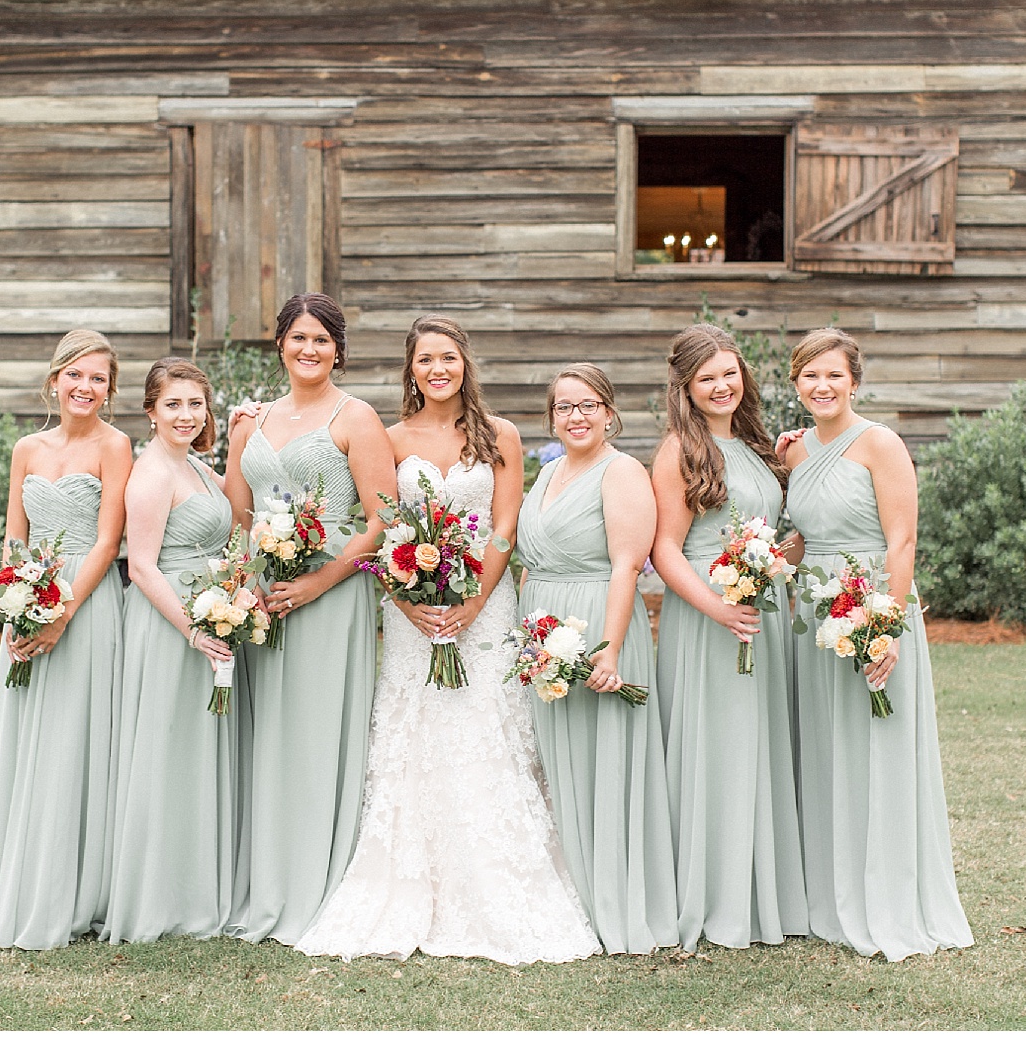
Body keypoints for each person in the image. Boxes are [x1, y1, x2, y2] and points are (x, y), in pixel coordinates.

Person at [295, 316, 599, 965]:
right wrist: (409, 601)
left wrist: (471, 603)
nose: (438, 368)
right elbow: (381, 529)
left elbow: (505, 526)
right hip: (412, 618)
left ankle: (498, 883)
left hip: (483, 611)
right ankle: (408, 881)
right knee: (419, 733)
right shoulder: (391, 435)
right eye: (426, 358)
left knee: (484, 728)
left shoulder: (501, 436)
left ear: (465, 364)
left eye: (449, 357)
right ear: (411, 368)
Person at [779, 327, 973, 961]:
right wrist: (768, 561)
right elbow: (806, 533)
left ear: (854, 381)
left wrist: (886, 624)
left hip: (872, 603)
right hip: (815, 614)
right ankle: (833, 897)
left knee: (878, 749)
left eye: (833, 374)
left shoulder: (881, 443)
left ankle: (888, 896)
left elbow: (902, 542)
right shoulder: (796, 452)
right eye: (809, 375)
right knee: (828, 750)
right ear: (796, 384)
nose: (822, 386)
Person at [0, 330, 132, 950]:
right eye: (76, 375)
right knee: (26, 743)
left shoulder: (116, 446)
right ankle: (14, 882)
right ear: (54, 380)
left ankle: (74, 893)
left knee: (74, 741)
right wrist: (15, 602)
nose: (86, 387)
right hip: (26, 605)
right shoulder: (26, 447)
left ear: (110, 389)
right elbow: (13, 538)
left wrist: (63, 610)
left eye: (99, 378)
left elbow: (108, 542)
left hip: (87, 604)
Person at [222, 293, 395, 946]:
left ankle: (318, 881)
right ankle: (267, 879)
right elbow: (238, 516)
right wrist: (238, 587)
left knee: (317, 733)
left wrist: (319, 581)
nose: (309, 349)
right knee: (269, 735)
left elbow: (383, 520)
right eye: (298, 337)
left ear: (338, 349)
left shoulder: (356, 419)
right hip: (264, 598)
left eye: (321, 339)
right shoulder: (251, 422)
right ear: (280, 344)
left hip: (332, 591)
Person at [649, 324, 809, 952]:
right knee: (715, 747)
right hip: (706, 618)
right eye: (707, 378)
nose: (722, 387)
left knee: (759, 744)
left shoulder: (758, 445)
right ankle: (712, 894)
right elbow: (666, 548)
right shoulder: (680, 452)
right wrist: (716, 607)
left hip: (761, 611)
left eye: (729, 373)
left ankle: (762, 891)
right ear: (686, 389)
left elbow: (783, 532)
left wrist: (778, 560)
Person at [515, 364, 680, 954]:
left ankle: (613, 895)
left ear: (610, 412)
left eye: (588, 405)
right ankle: (569, 892)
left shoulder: (623, 471)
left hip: (597, 622)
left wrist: (608, 649)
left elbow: (627, 566)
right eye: (564, 407)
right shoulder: (550, 470)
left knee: (603, 761)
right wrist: (525, 635)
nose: (576, 416)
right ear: (552, 417)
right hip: (543, 629)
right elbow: (531, 559)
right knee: (558, 760)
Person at [100, 359, 238, 942]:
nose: (187, 415)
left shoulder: (198, 467)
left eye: (195, 404)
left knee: (193, 757)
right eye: (173, 405)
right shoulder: (153, 472)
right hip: (169, 627)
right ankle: (155, 898)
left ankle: (193, 888)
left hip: (208, 615)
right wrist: (192, 629)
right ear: (151, 412)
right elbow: (140, 565)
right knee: (163, 755)